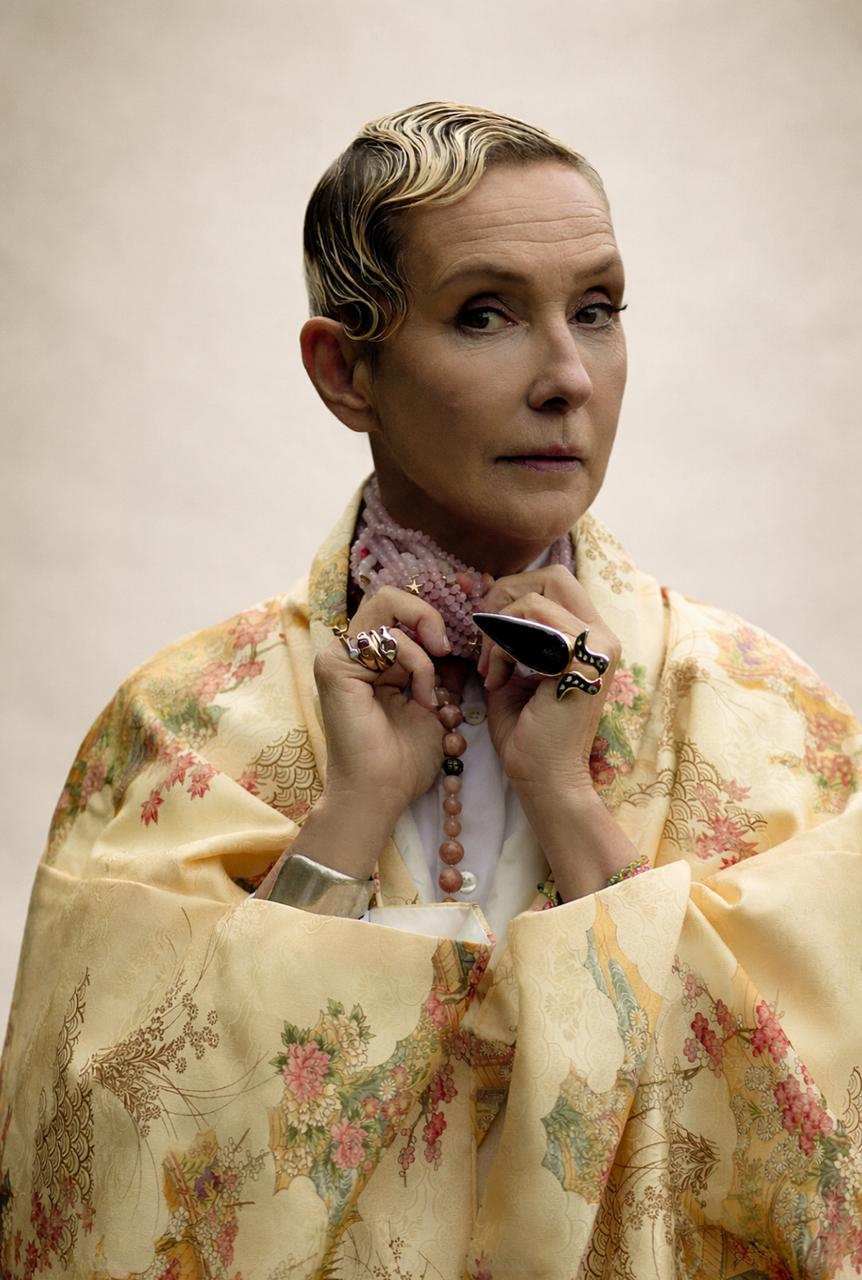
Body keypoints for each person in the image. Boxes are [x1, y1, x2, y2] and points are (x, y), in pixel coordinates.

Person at [1, 102, 861, 1280]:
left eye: (597, 309)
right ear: (344, 369)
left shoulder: (774, 722)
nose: (567, 377)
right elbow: (93, 1183)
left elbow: (818, 1173)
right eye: (484, 313)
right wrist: (344, 824)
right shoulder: (180, 728)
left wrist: (569, 802)